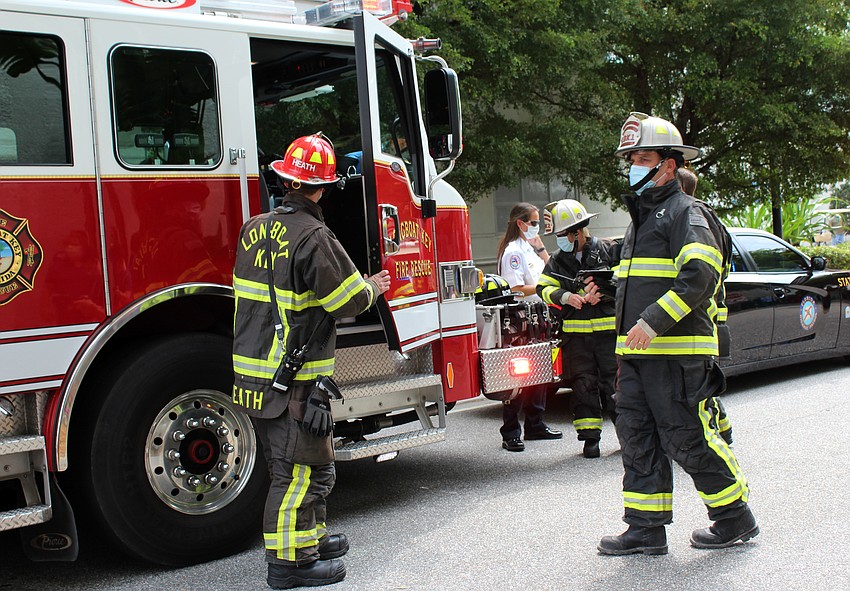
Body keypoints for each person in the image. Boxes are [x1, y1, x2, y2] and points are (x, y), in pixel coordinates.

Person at [232, 132, 391, 588]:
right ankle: (289, 565)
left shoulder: (254, 227)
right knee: (297, 472)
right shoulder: (314, 235)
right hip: (294, 379)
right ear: (321, 188)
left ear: (285, 180)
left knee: (314, 466)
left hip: (258, 374)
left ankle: (311, 540)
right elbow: (346, 301)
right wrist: (373, 285)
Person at [598, 112, 757, 556]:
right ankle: (645, 529)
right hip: (637, 356)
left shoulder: (687, 213)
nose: (633, 165)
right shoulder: (642, 219)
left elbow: (699, 276)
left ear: (669, 165)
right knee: (637, 439)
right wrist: (605, 292)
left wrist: (651, 322)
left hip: (675, 354)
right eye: (630, 158)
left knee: (688, 439)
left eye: (641, 158)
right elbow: (643, 282)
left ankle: (734, 517)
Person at [536, 199, 619, 458]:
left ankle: (629, 436)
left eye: (562, 235)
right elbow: (543, 288)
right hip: (577, 339)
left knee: (616, 386)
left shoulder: (609, 250)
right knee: (583, 387)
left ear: (577, 232)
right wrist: (565, 297)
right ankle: (590, 439)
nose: (559, 240)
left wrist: (603, 293)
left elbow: (625, 280)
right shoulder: (559, 261)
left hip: (609, 337)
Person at [495, 202, 562, 452]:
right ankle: (511, 431)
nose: (537, 228)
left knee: (542, 373)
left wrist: (542, 249)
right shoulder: (513, 252)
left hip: (539, 316)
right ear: (520, 224)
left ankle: (535, 424)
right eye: (533, 223)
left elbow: (550, 270)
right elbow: (515, 289)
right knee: (518, 378)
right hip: (520, 318)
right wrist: (544, 288)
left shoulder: (530, 249)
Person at [675, 167, 733, 446]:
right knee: (704, 383)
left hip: (702, 317)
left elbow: (700, 276)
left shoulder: (695, 221)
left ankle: (718, 432)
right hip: (712, 314)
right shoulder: (712, 221)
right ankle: (724, 429)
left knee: (700, 386)